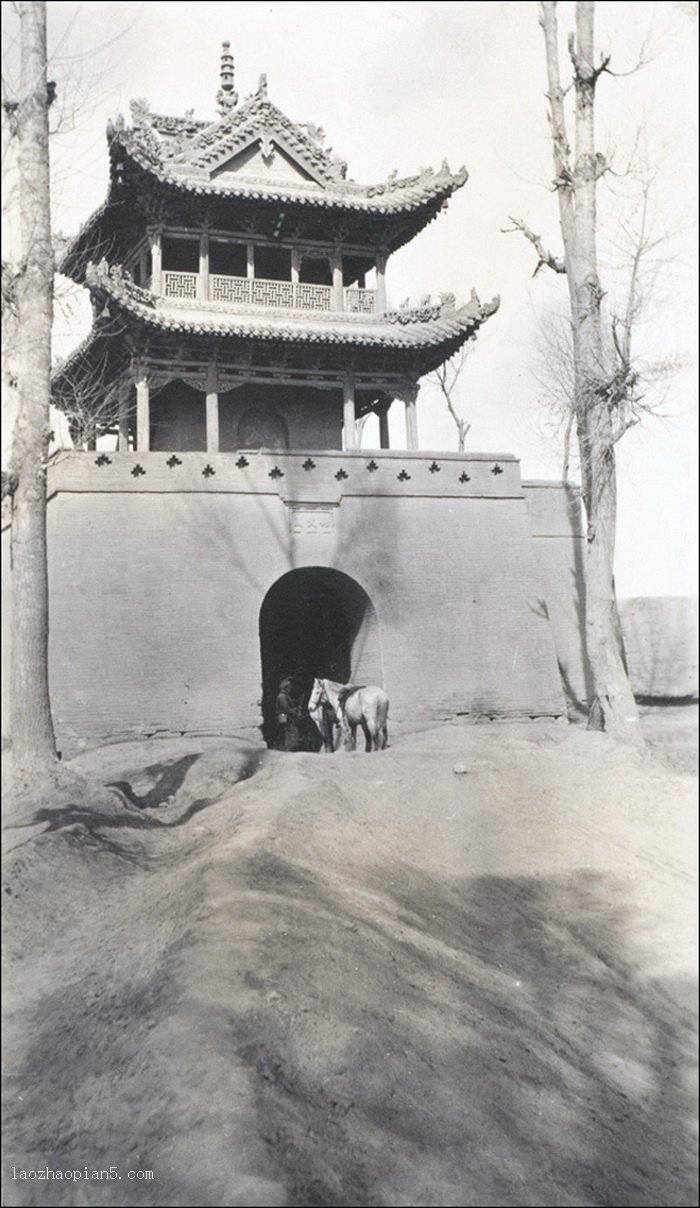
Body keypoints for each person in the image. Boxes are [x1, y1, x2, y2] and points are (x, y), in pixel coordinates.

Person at [275, 677, 302, 751]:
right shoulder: (282, 697)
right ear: (286, 687)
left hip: (289, 719)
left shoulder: (285, 696)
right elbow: (286, 708)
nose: (290, 689)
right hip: (286, 720)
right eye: (289, 687)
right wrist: (296, 713)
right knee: (289, 735)